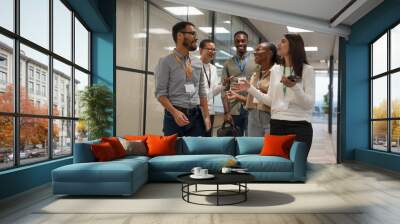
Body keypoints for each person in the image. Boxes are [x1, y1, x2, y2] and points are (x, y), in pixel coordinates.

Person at [233, 34, 315, 153]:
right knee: (277, 165)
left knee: (297, 164)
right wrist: (250, 88)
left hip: (300, 125)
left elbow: (309, 104)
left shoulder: (307, 70)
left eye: (283, 42)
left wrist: (295, 87)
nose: (278, 45)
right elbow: (270, 101)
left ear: (293, 45)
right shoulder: (276, 70)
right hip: (277, 124)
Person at [155, 21, 211, 137]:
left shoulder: (197, 62)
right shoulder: (166, 61)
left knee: (195, 153)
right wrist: (175, 113)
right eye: (192, 34)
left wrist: (206, 116)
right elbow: (160, 94)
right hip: (174, 117)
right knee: (174, 153)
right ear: (180, 35)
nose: (196, 38)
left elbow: (202, 92)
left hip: (196, 117)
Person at [228, 42, 277, 136]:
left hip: (270, 118)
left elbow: (273, 100)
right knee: (253, 149)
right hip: (253, 117)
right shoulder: (255, 74)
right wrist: (238, 97)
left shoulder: (277, 72)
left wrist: (253, 89)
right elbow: (254, 100)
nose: (254, 52)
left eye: (258, 49)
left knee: (269, 150)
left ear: (270, 53)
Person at [221, 31, 257, 136]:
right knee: (235, 139)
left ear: (247, 42)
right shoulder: (228, 63)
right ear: (234, 43)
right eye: (237, 41)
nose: (240, 43)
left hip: (251, 108)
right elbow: (224, 89)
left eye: (243, 41)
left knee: (251, 140)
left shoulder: (256, 61)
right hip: (234, 109)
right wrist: (226, 112)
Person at [199, 39, 224, 136]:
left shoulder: (213, 68)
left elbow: (214, 92)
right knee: (196, 138)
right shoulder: (194, 65)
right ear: (201, 50)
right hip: (197, 110)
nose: (212, 52)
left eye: (214, 50)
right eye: (209, 49)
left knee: (207, 138)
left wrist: (224, 85)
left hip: (210, 110)